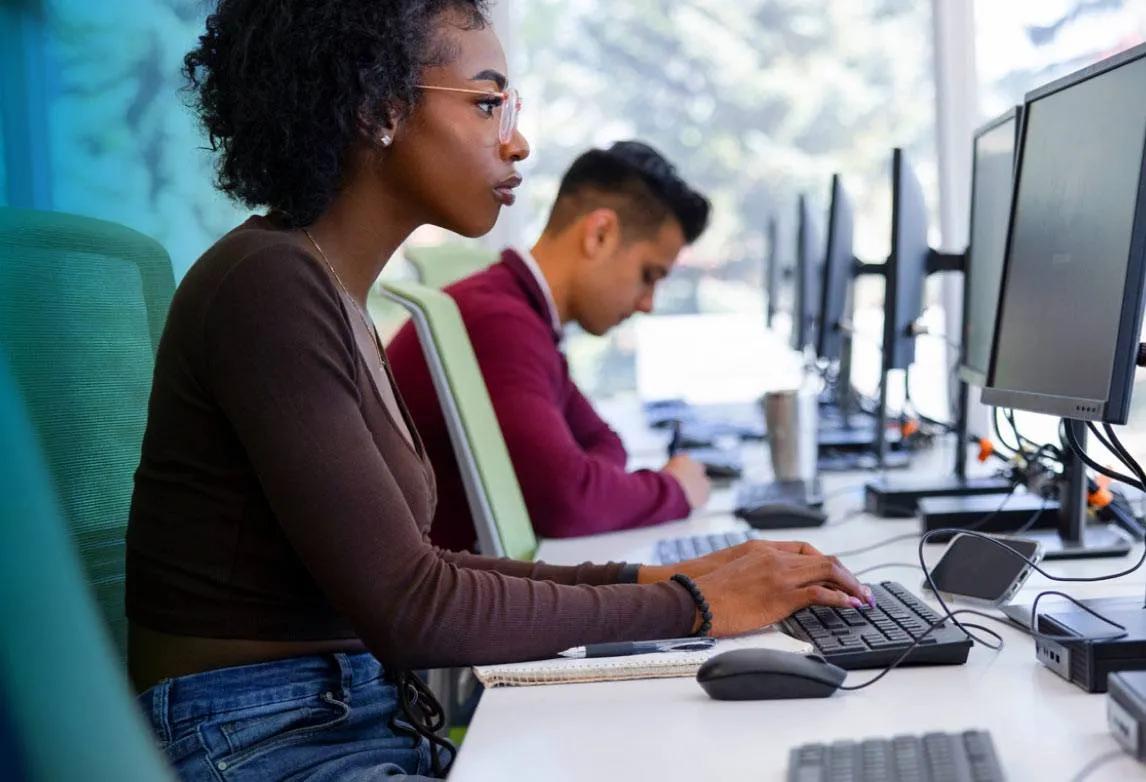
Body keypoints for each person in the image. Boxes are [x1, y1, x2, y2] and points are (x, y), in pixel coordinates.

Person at [126, 1, 873, 779]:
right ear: (379, 108)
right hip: (261, 736)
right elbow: (415, 603)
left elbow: (425, 567)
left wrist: (659, 579)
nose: (516, 141)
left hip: (330, 713)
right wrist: (693, 603)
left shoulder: (329, 291)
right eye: (488, 104)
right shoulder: (270, 286)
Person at [389, 141, 713, 553]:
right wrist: (675, 490)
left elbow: (604, 442)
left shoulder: (523, 312)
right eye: (649, 275)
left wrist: (588, 478)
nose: (648, 303)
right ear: (600, 234)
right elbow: (568, 501)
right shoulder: (498, 321)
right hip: (451, 598)